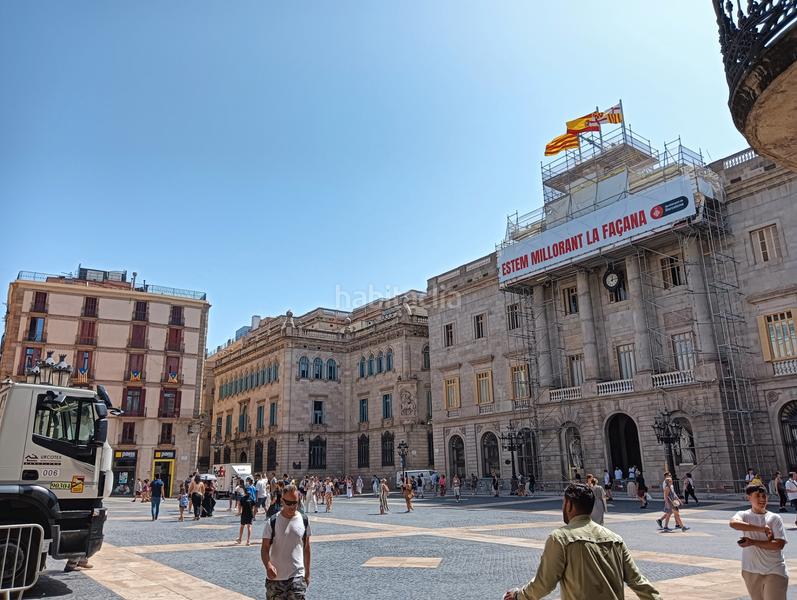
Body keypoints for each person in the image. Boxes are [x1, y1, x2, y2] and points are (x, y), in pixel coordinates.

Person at [503, 483, 661, 600]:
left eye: (563, 503)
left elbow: (544, 583)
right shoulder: (615, 539)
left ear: (569, 505)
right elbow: (639, 582)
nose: (562, 507)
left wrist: (518, 596)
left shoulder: (560, 538)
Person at [730, 483, 788, 600]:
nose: (762, 499)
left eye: (764, 496)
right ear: (749, 497)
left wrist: (753, 542)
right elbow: (733, 523)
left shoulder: (774, 518)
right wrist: (762, 529)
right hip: (751, 569)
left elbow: (779, 545)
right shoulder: (743, 515)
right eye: (757, 496)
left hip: (774, 569)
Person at [261, 485, 311, 599]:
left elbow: (307, 548)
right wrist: (268, 565)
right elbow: (264, 548)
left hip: (297, 576)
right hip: (276, 579)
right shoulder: (272, 522)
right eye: (289, 503)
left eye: (295, 502)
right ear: (282, 501)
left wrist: (307, 573)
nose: (292, 506)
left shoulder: (304, 520)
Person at [237, 479, 256, 545]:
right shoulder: (252, 499)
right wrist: (253, 515)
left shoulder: (242, 498)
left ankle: (240, 539)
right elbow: (253, 508)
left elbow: (240, 506)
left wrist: (239, 512)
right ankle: (248, 541)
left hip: (244, 513)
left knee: (242, 526)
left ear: (245, 492)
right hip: (250, 514)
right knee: (249, 526)